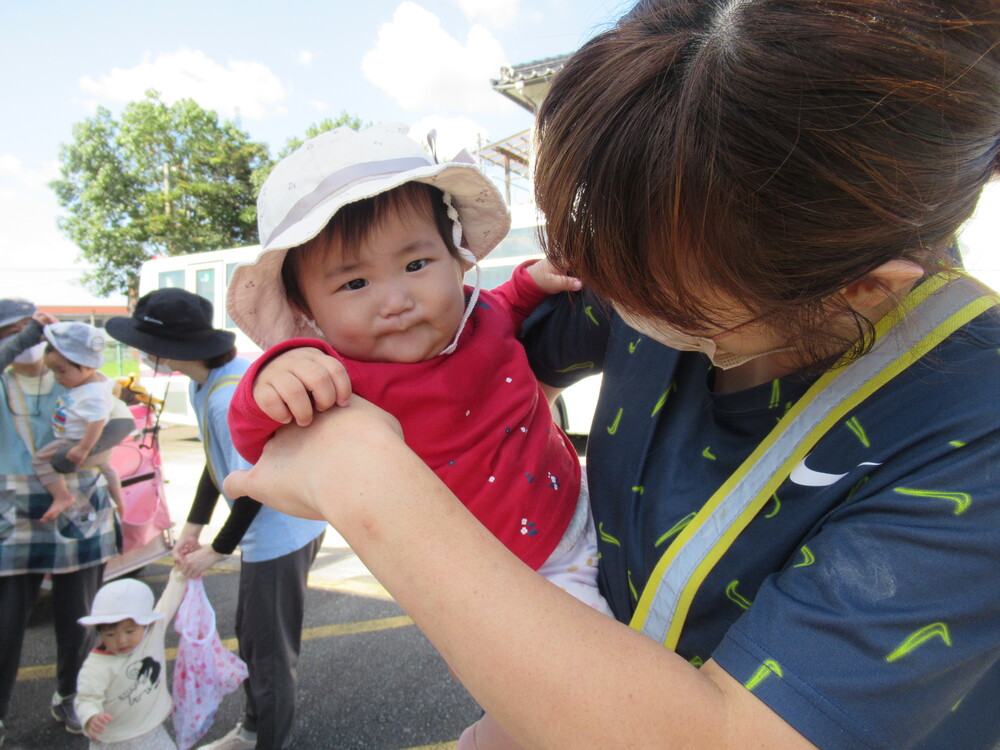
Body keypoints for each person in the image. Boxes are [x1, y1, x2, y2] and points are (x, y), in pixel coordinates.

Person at [221, 1, 1000, 748]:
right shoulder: (651, 243)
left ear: (865, 284)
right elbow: (479, 346)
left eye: (665, 290)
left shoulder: (972, 432)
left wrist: (365, 481)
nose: (605, 287)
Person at [225, 124, 608, 619]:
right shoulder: (340, 380)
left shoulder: (474, 314)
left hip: (584, 503)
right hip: (518, 577)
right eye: (355, 282)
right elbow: (253, 431)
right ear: (306, 307)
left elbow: (505, 303)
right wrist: (273, 377)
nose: (397, 301)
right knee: (596, 677)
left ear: (456, 255)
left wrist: (532, 281)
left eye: (416, 264)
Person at [105, 290, 326, 750]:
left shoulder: (225, 399)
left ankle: (268, 739)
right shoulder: (208, 381)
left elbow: (253, 488)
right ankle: (253, 728)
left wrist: (214, 551)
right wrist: (193, 526)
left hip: (279, 531)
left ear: (168, 350)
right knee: (254, 636)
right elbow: (215, 462)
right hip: (275, 525)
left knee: (268, 652)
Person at [0, 299, 120, 746]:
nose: (24, 342)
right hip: (12, 509)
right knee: (7, 618)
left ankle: (73, 695)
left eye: (30, 331)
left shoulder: (78, 378)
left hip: (81, 503)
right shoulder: (4, 380)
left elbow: (114, 427)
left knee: (79, 614)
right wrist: (23, 340)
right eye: (11, 334)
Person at [75, 571, 187, 750]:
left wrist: (180, 571)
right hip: (115, 740)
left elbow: (171, 596)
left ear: (145, 624)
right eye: (110, 634)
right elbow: (86, 698)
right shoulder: (96, 665)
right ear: (100, 633)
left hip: (152, 730)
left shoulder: (152, 633)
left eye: (129, 631)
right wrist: (91, 717)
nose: (121, 641)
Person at [32, 322, 125, 523]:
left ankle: (61, 496)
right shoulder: (99, 380)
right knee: (107, 467)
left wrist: (82, 448)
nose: (57, 377)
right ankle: (120, 500)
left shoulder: (91, 393)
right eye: (53, 371)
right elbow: (116, 387)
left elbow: (97, 421)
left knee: (40, 460)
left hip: (73, 440)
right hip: (89, 444)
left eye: (61, 371)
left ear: (87, 366)